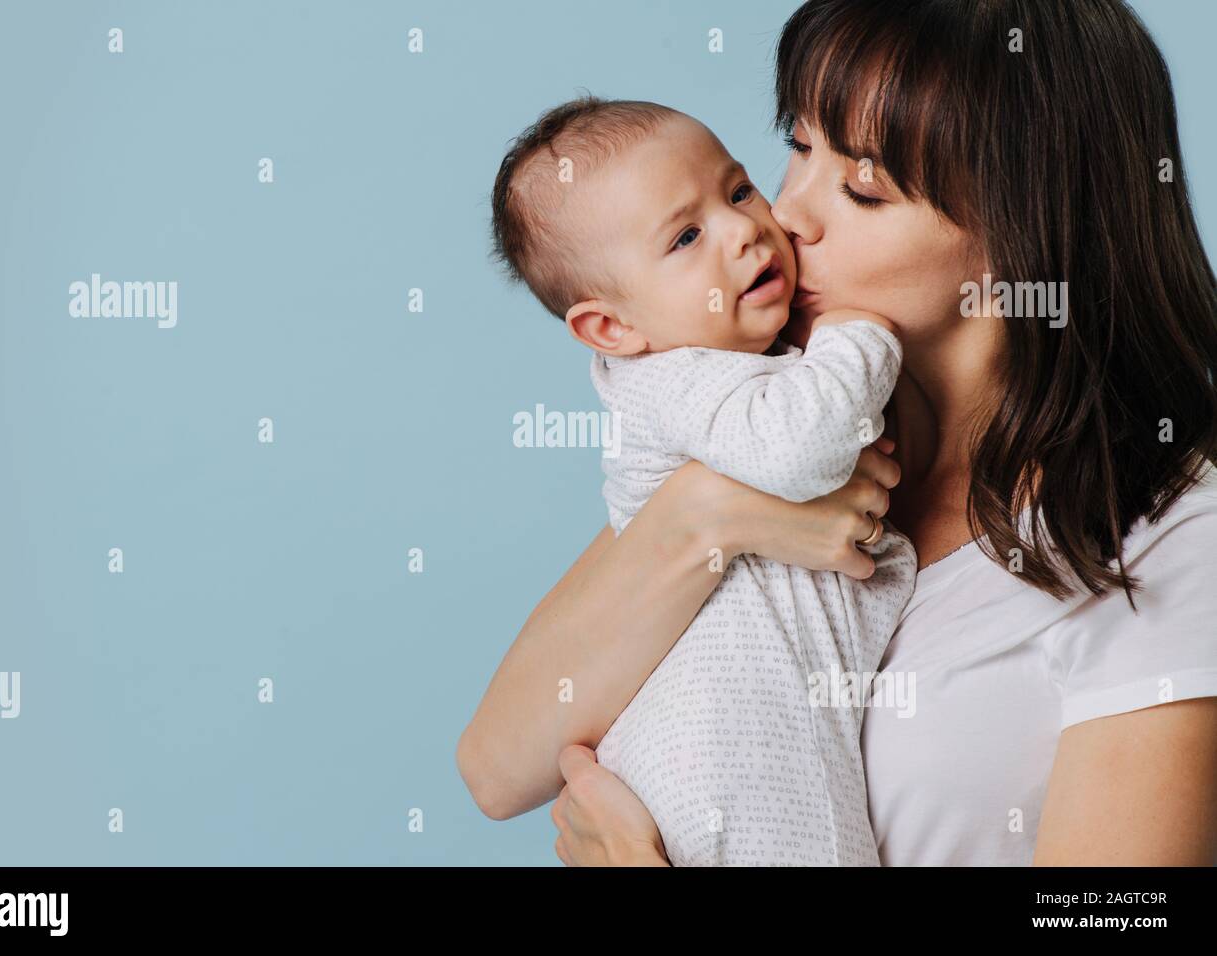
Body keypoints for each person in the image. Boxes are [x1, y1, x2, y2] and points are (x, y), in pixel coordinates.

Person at [458, 0, 1217, 865]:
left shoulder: (1166, 545)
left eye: (862, 189)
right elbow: (497, 768)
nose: (784, 217)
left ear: (1021, 236)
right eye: (799, 145)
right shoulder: (769, 438)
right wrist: (705, 515)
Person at [483, 94, 918, 864]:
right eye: (685, 236)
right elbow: (797, 447)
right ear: (614, 330)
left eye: (740, 189)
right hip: (716, 775)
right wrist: (862, 332)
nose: (748, 227)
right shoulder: (672, 379)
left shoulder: (732, 367)